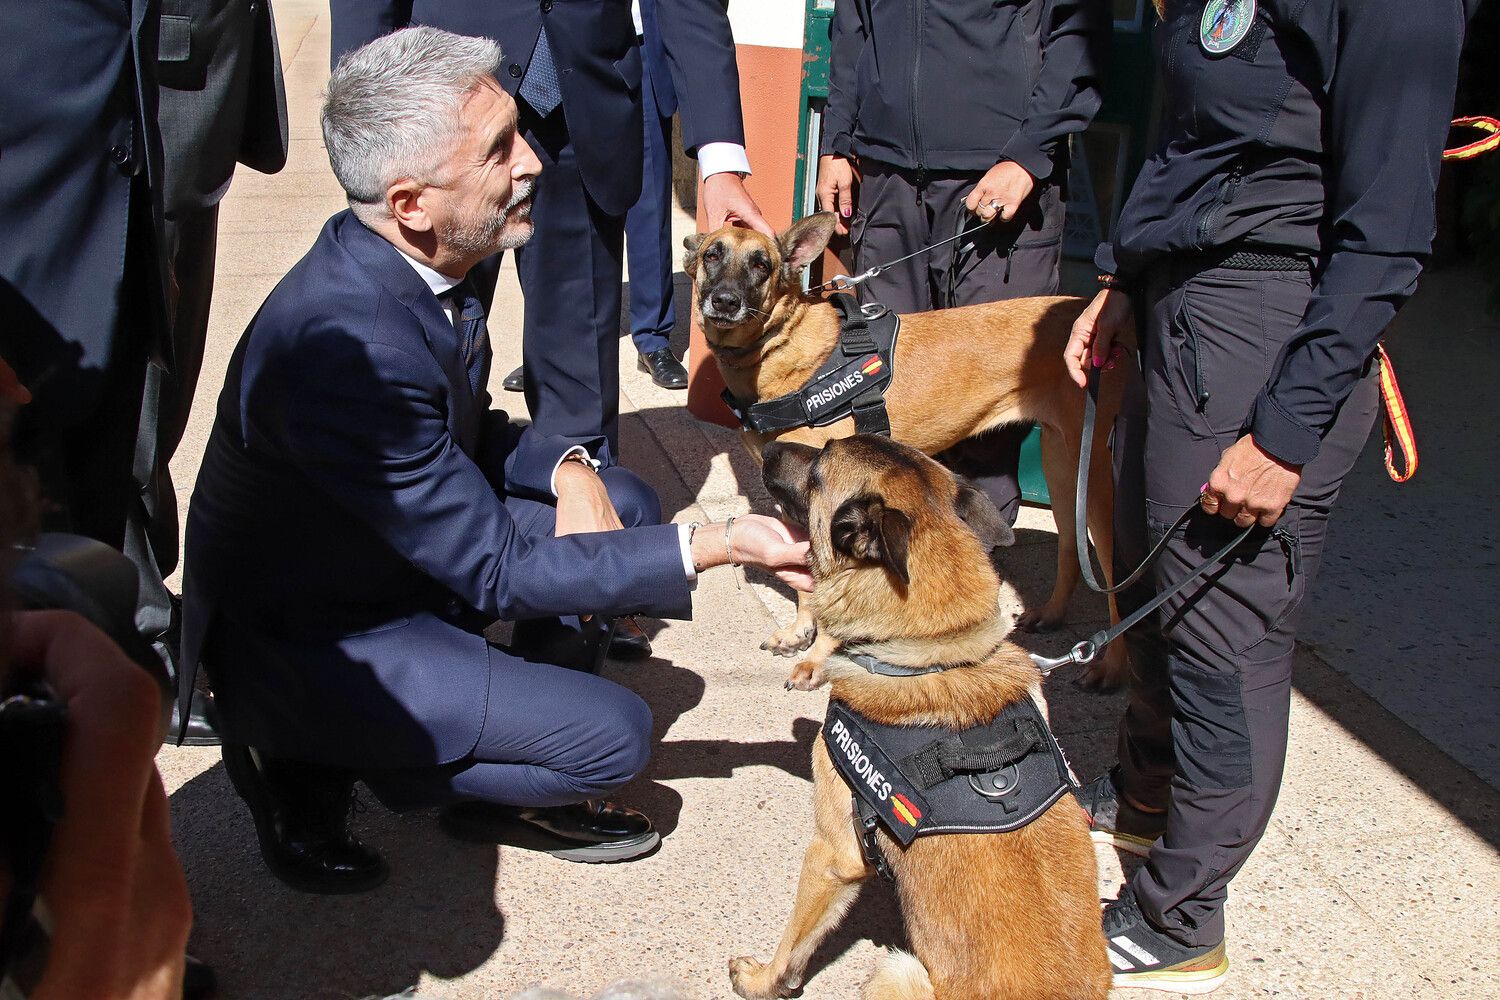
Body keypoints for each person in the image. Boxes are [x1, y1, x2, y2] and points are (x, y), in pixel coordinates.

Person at [180, 28, 813, 895]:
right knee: (612, 738)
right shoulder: (347, 345)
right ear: (411, 202)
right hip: (324, 635)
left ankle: (491, 749)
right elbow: (495, 568)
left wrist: (571, 466)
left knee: (619, 497)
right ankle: (333, 759)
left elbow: (466, 437)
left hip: (385, 559)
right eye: (500, 151)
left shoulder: (408, 265)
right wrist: (721, 542)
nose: (534, 164)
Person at [1064, 0, 1479, 991]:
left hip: (1273, 321)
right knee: (1150, 583)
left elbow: (1386, 233)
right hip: (1185, 303)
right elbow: (1188, 139)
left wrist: (1284, 433)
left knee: (1219, 626)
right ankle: (1150, 794)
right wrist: (1126, 275)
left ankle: (1181, 914)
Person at [815, 0, 1107, 528]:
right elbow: (853, 21)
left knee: (988, 409)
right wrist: (838, 139)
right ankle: (901, 571)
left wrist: (1029, 154)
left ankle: (971, 583)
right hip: (886, 177)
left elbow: (1078, 29)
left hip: (1002, 175)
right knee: (883, 391)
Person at [137, 0, 291, 747]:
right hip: (141, 82)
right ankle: (132, 628)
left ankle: (140, 589)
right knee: (136, 378)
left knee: (165, 381)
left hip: (194, 79)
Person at [625, 0, 690, 391]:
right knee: (563, 203)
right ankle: (546, 346)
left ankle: (652, 338)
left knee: (650, 205)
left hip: (642, 45)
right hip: (564, 47)